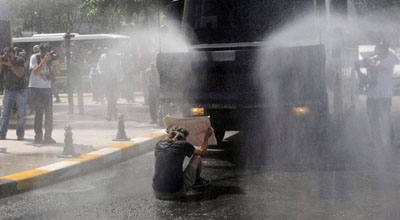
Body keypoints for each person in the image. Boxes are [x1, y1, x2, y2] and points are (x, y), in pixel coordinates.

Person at [152, 125, 214, 200]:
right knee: (197, 156)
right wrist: (207, 136)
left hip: (157, 192)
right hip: (175, 192)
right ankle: (197, 181)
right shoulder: (183, 145)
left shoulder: (158, 145)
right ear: (184, 138)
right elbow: (202, 152)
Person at [355, 41, 397, 148]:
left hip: (384, 96)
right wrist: (360, 74)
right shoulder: (372, 59)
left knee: (385, 118)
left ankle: (390, 140)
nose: (378, 51)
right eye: (377, 48)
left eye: (381, 49)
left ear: (386, 51)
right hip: (372, 96)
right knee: (373, 119)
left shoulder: (389, 60)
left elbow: (377, 67)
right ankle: (375, 141)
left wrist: (368, 61)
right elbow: (356, 63)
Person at [29, 42, 60, 144]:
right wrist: (45, 60)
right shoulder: (35, 57)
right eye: (45, 51)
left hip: (47, 88)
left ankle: (48, 136)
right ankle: (38, 136)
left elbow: (57, 72)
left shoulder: (51, 59)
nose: (47, 54)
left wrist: (55, 63)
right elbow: (36, 72)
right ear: (41, 51)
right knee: (39, 113)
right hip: (36, 88)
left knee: (49, 114)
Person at [0, 47, 27, 140]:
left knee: (21, 113)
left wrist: (10, 65)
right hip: (8, 90)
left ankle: (20, 134)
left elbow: (20, 73)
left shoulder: (19, 60)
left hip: (20, 90)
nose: (9, 56)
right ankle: (2, 133)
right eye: (7, 54)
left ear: (14, 53)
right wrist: (1, 63)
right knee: (4, 114)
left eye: (11, 53)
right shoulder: (3, 61)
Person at [97, 47, 121, 121]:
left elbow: (120, 59)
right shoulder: (102, 56)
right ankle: (112, 113)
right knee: (108, 97)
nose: (106, 51)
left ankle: (110, 113)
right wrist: (100, 72)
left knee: (113, 97)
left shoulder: (115, 55)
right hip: (106, 79)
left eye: (108, 50)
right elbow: (98, 66)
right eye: (105, 50)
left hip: (114, 78)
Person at [66, 45, 84, 114]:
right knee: (70, 94)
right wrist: (76, 64)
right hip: (70, 76)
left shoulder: (79, 55)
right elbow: (67, 63)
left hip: (78, 75)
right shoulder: (68, 55)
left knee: (79, 93)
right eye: (72, 47)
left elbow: (82, 64)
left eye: (74, 47)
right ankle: (71, 109)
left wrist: (74, 63)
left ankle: (81, 109)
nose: (73, 48)